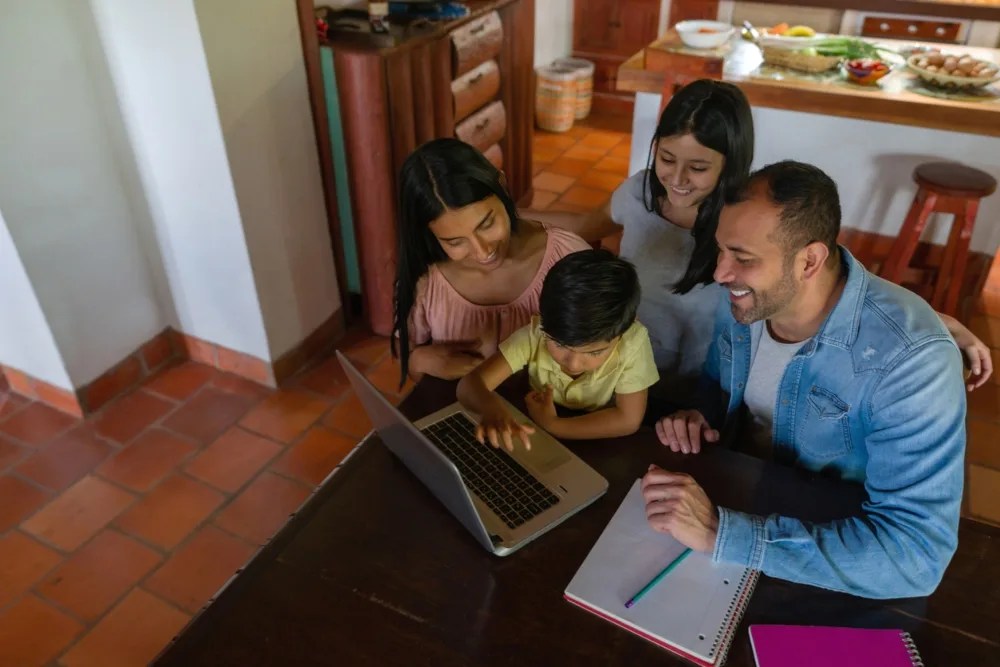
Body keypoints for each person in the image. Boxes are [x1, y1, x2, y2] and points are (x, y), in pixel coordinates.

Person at [529, 80, 992, 397]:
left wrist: (937, 322)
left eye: (699, 167)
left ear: (731, 162)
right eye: (667, 158)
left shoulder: (744, 222)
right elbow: (577, 226)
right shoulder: (640, 192)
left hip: (699, 388)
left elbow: (833, 281)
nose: (678, 179)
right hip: (619, 373)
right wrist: (503, 217)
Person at [642, 161, 966, 599]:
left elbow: (916, 557)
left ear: (809, 260)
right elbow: (719, 392)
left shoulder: (912, 362)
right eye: (721, 250)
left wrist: (723, 534)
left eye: (743, 257)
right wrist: (699, 416)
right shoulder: (745, 301)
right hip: (732, 511)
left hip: (820, 558)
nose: (719, 273)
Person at [391, 138, 590, 387]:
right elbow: (405, 347)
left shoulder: (566, 256)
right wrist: (418, 360)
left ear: (503, 186)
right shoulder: (424, 280)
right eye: (455, 242)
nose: (482, 251)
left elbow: (611, 350)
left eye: (486, 224)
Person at [457, 250, 658, 449]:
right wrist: (491, 409)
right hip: (538, 428)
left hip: (599, 437)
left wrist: (553, 425)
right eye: (560, 345)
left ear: (624, 331)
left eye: (595, 352)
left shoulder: (633, 342)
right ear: (543, 318)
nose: (573, 363)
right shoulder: (538, 333)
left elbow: (627, 420)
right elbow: (469, 385)